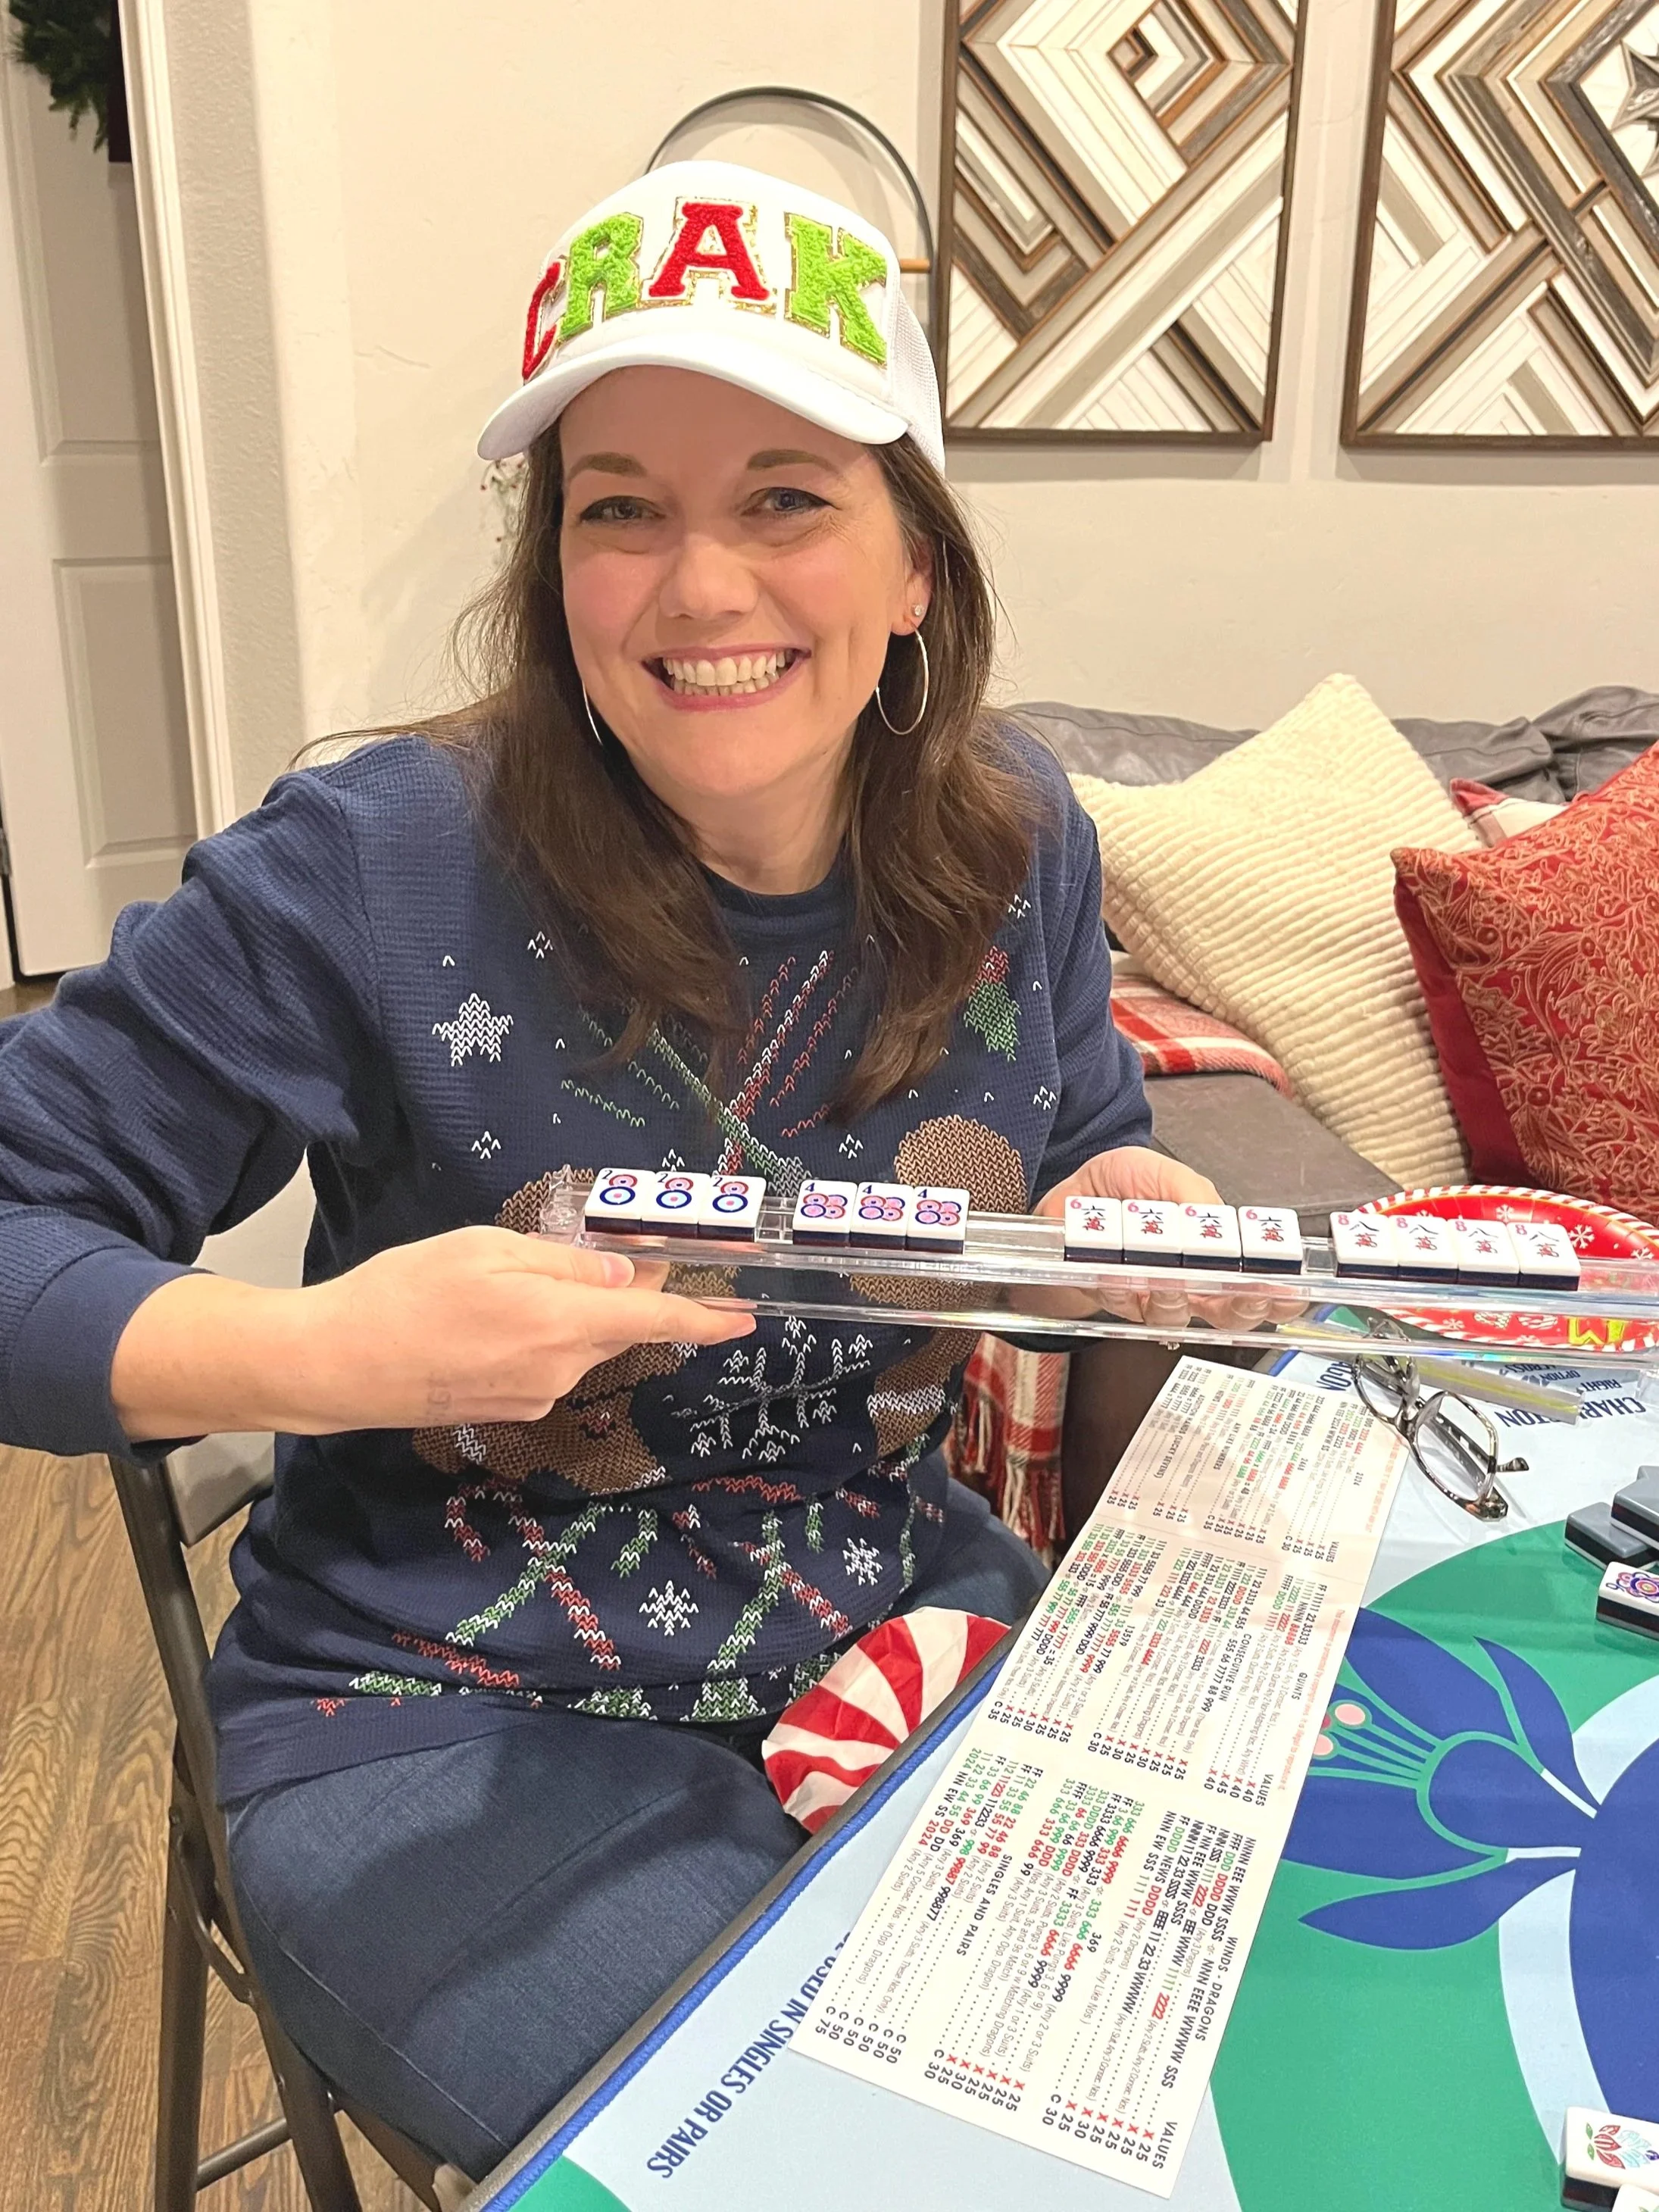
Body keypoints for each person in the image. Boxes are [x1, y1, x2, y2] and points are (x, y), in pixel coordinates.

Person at [0, 161, 1229, 2178]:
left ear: (914, 560)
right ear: (552, 566)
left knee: (1235, 2061)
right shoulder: (366, 872)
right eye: (618, 508)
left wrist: (1124, 1207)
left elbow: (1081, 1128)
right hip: (439, 1712)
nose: (701, 586)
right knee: (842, 2172)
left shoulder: (1020, 836)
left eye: (784, 497)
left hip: (904, 1625)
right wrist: (326, 1354)